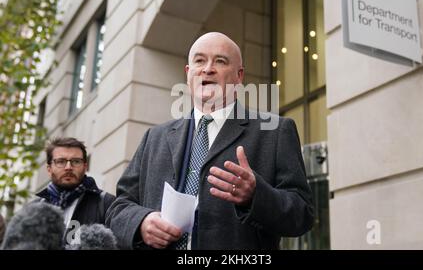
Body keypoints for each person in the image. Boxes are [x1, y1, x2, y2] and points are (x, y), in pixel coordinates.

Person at [106, 32, 314, 249]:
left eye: (220, 61)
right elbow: (118, 208)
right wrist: (141, 222)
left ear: (239, 76)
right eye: (199, 61)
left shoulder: (276, 132)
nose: (208, 69)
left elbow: (302, 215)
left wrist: (256, 196)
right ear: (188, 73)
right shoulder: (154, 137)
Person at [35, 137, 115, 244]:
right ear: (49, 169)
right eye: (61, 161)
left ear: (85, 167)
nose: (68, 167)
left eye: (76, 161)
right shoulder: (34, 210)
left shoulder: (106, 203)